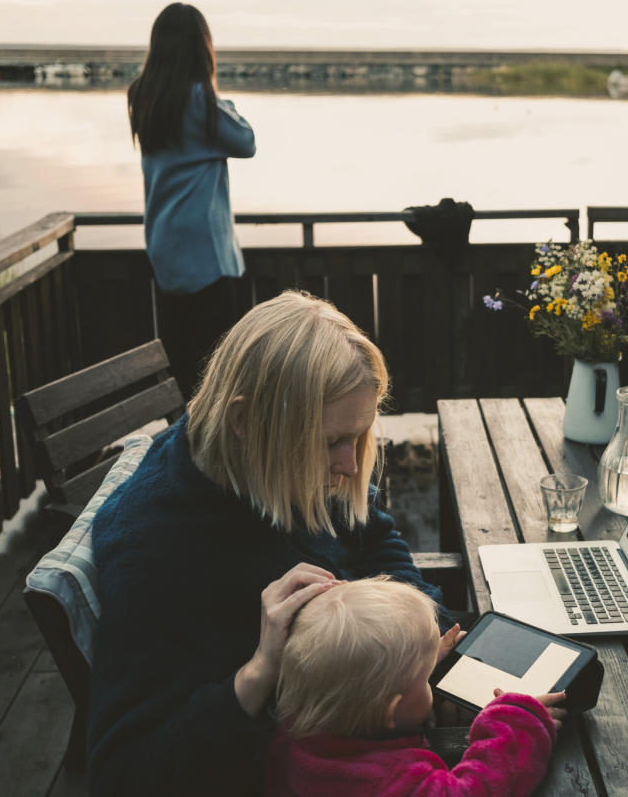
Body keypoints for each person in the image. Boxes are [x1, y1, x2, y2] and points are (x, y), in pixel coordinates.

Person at [88, 291, 455, 796]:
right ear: (245, 422)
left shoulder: (265, 463)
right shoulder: (159, 555)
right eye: (331, 442)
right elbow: (125, 774)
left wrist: (418, 632)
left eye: (358, 437)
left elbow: (371, 530)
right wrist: (258, 673)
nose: (349, 465)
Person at [267, 577, 566, 797]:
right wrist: (514, 725)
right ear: (391, 711)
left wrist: (418, 661)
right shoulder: (393, 783)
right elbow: (478, 790)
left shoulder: (300, 729)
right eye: (424, 678)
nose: (429, 679)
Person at [128, 2, 256, 396]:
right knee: (220, 371)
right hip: (207, 256)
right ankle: (215, 453)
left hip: (166, 250)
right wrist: (224, 100)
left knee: (183, 365)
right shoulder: (202, 100)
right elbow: (246, 141)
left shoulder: (142, 95)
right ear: (203, 49)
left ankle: (185, 448)